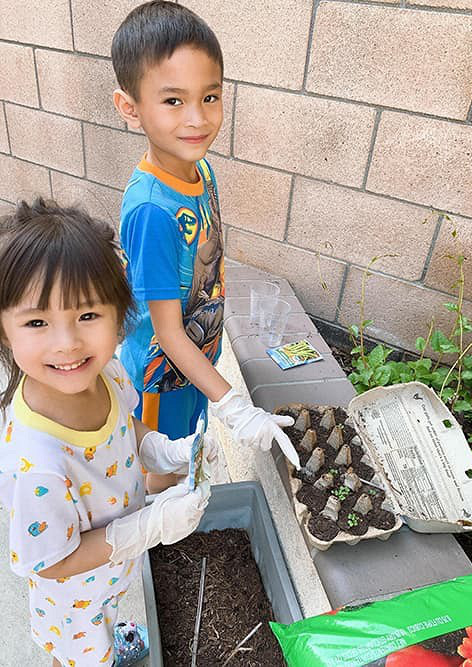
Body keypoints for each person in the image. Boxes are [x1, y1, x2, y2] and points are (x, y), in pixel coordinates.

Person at [0, 198, 213, 667]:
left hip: (110, 571)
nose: (67, 343)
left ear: (120, 316)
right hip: (73, 598)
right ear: (4, 332)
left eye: (87, 316)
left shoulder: (109, 374)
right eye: (37, 322)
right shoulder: (36, 465)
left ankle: (112, 636)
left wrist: (163, 451)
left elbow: (124, 426)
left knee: (109, 618)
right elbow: (53, 561)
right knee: (81, 658)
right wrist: (149, 527)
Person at [111, 1, 297, 493]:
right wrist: (233, 405)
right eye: (173, 101)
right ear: (129, 108)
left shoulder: (202, 171)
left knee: (188, 450)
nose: (197, 119)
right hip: (161, 376)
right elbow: (169, 334)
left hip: (197, 361)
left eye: (210, 97)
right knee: (163, 467)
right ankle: (155, 538)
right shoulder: (152, 210)